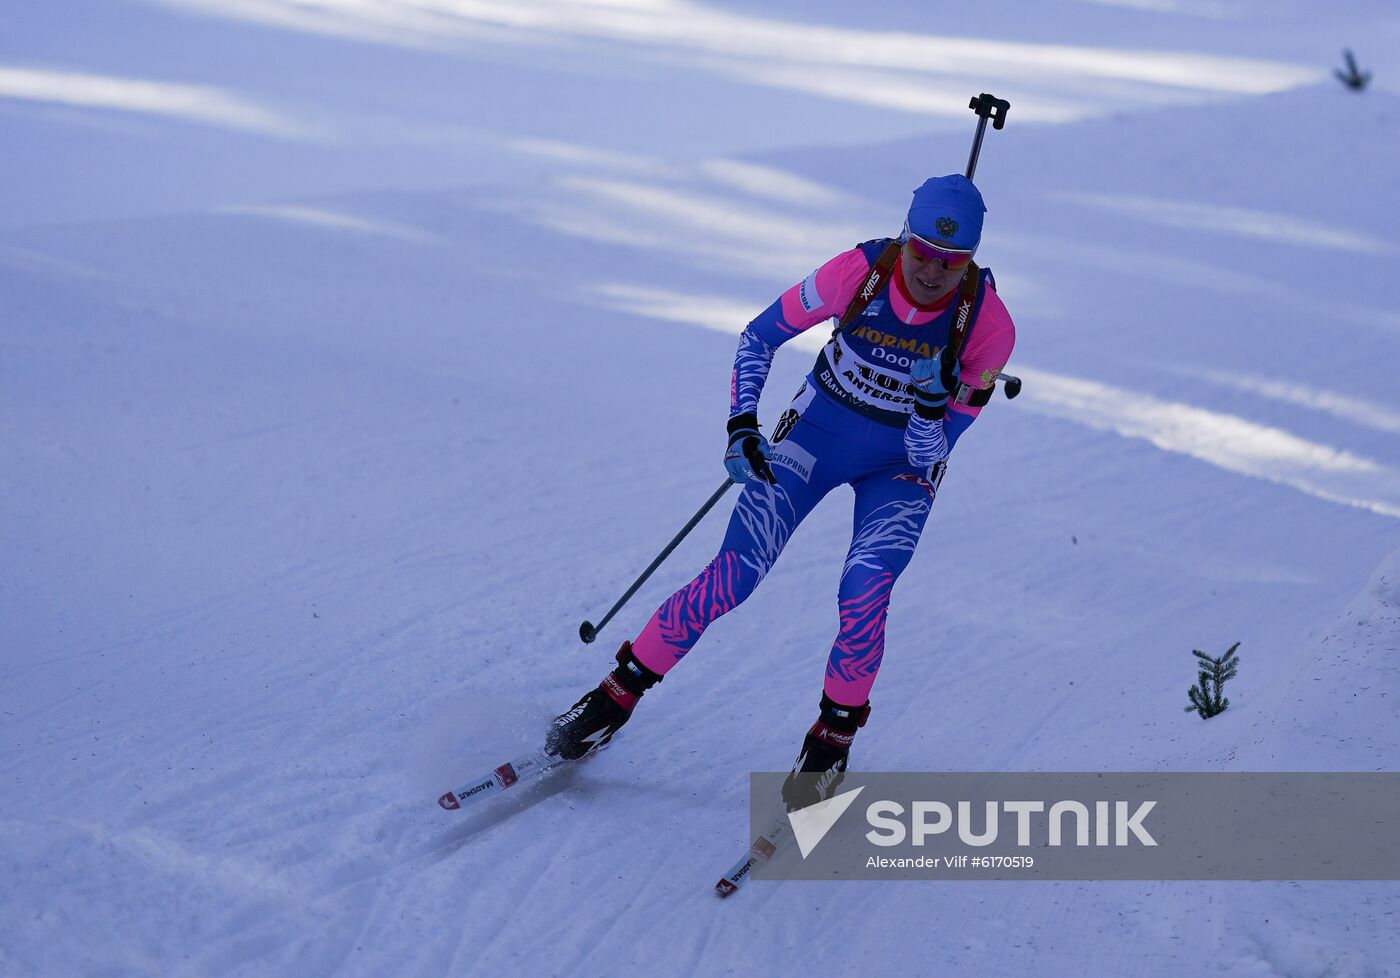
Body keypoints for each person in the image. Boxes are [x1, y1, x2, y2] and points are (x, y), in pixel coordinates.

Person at [546, 174, 1016, 810]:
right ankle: (613, 696)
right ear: (904, 238)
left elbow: (931, 455)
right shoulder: (857, 272)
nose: (933, 272)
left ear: (972, 259)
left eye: (952, 261)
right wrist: (743, 423)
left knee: (865, 589)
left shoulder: (987, 326)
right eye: (922, 253)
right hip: (817, 436)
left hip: (899, 468)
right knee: (734, 574)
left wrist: (934, 409)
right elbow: (758, 336)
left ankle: (829, 746)